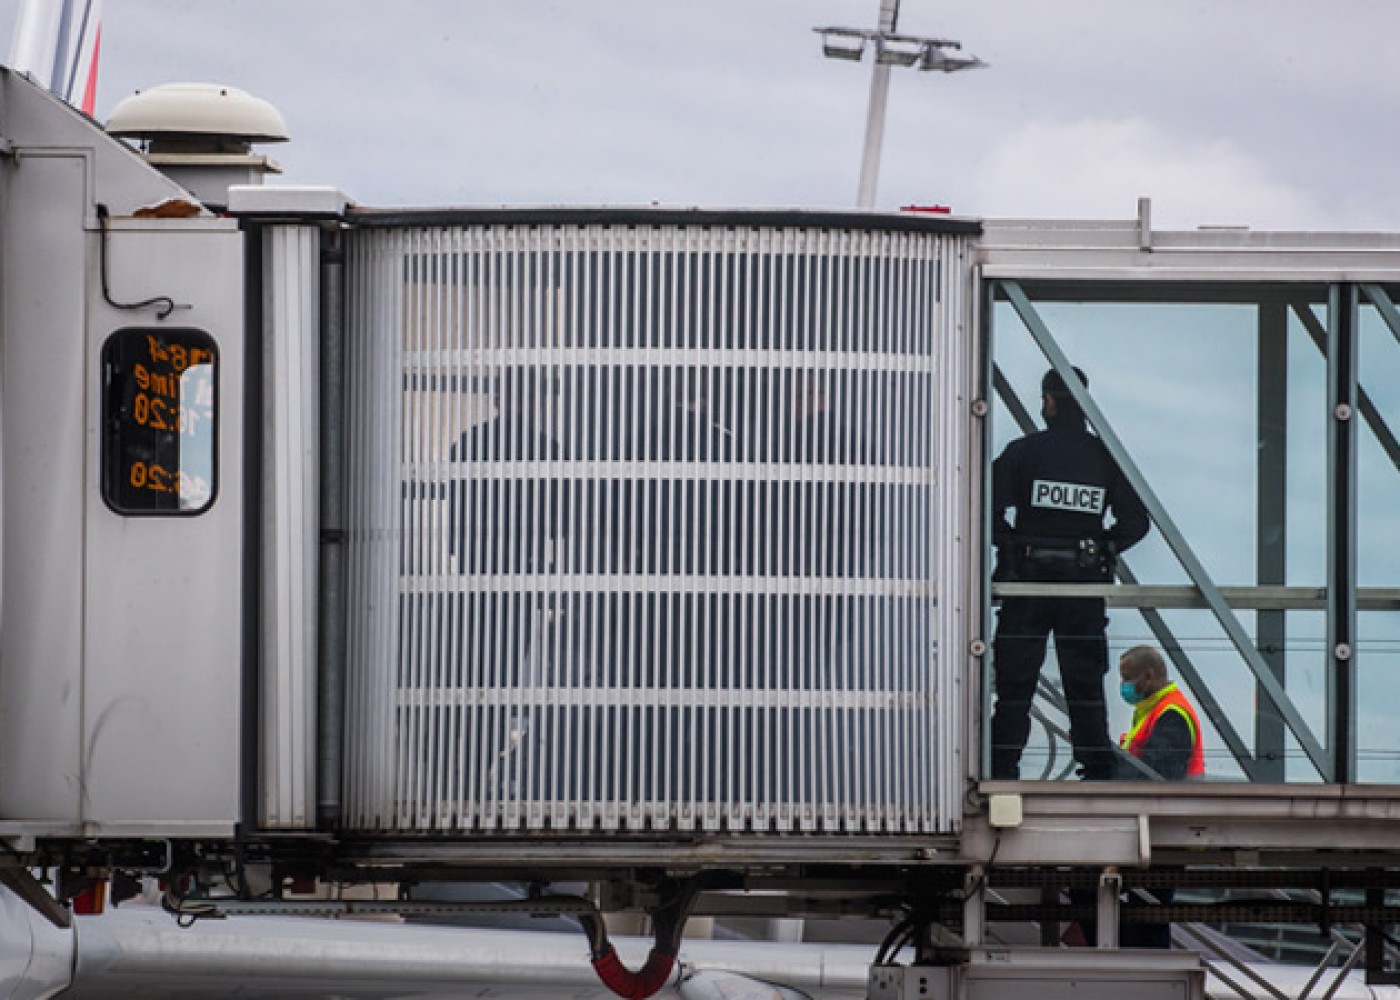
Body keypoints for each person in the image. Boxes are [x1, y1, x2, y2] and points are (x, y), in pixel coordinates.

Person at [988, 366, 1150, 781]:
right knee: (1084, 688)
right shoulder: (1104, 457)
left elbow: (982, 505)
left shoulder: (1023, 452)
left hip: (1026, 586)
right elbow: (1136, 522)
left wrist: (1012, 542)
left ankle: (1002, 769)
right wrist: (1102, 548)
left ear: (1050, 401)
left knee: (1014, 688)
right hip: (1082, 588)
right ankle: (1096, 771)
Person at [1116, 644, 1204, 781]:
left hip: (1178, 800)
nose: (1123, 684)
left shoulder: (1173, 715)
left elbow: (1156, 774)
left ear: (1148, 677)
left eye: (1127, 678)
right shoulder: (1150, 710)